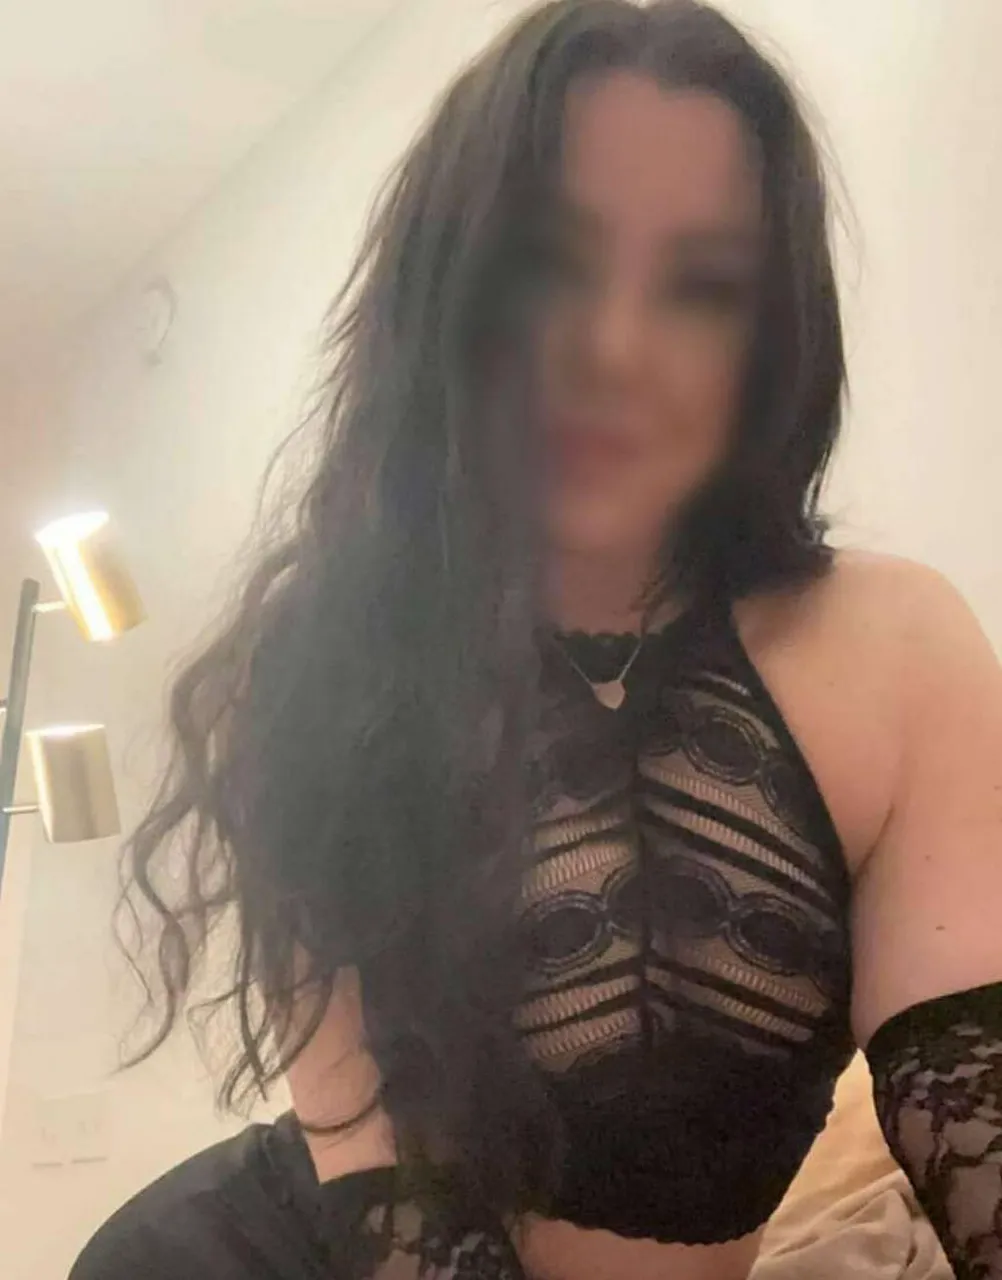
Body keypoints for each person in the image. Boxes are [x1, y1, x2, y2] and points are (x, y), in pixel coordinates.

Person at [72, 3, 1002, 1278]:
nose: (614, 349)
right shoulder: (314, 671)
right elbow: (400, 1201)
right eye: (548, 265)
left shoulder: (897, 648)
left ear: (775, 334)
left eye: (703, 287)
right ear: (446, 296)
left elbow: (978, 1097)